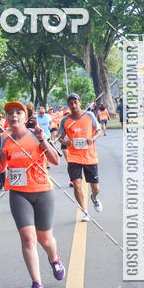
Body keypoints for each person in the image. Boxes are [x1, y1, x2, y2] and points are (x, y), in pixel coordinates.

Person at [0, 101, 65, 288]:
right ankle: (37, 282)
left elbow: (56, 161)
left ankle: (54, 259)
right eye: (10, 113)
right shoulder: (5, 140)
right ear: (6, 119)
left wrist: (43, 141)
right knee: (28, 237)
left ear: (25, 117)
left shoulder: (36, 133)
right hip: (19, 193)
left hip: (42, 192)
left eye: (18, 113)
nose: (13, 116)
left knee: (45, 238)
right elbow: (0, 169)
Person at [58, 93, 102, 222]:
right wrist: (65, 142)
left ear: (80, 103)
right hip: (74, 157)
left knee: (96, 188)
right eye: (71, 103)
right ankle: (84, 211)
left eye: (75, 102)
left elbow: (99, 130)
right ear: (68, 105)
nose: (73, 105)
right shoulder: (65, 120)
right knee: (77, 185)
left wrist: (92, 138)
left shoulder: (89, 116)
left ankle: (94, 198)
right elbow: (60, 137)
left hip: (89, 157)